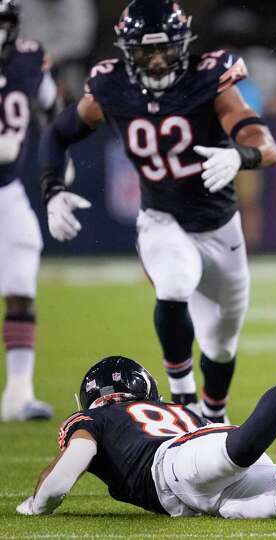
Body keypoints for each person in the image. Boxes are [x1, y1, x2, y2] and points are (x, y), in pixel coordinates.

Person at [38, 0, 276, 422]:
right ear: (127, 51)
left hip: (220, 227)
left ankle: (214, 415)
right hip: (162, 219)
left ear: (183, 45)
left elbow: (266, 144)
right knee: (174, 283)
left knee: (221, 344)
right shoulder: (112, 86)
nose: (156, 60)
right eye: (146, 51)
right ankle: (183, 401)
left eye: (165, 48)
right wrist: (53, 189)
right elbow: (57, 135)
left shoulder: (210, 79)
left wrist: (242, 156)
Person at [16, 326, 276, 518]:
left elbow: (76, 459)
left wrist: (38, 503)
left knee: (244, 447)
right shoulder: (173, 410)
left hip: (174, 466)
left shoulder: (95, 417)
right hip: (197, 486)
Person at [0, 0, 57, 421]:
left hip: (7, 189)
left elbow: (52, 103)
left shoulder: (28, 57)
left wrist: (63, 151)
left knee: (21, 281)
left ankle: (18, 393)